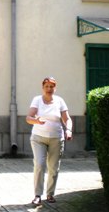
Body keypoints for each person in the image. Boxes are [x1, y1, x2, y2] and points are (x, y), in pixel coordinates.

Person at [26, 77, 73, 206]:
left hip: (56, 139)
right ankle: (37, 195)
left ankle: (50, 194)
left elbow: (67, 119)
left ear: (55, 88)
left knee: (53, 167)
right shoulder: (37, 100)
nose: (49, 89)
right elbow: (29, 118)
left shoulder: (59, 101)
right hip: (38, 138)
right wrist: (37, 121)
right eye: (46, 86)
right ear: (43, 88)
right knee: (40, 164)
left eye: (51, 86)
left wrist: (68, 130)